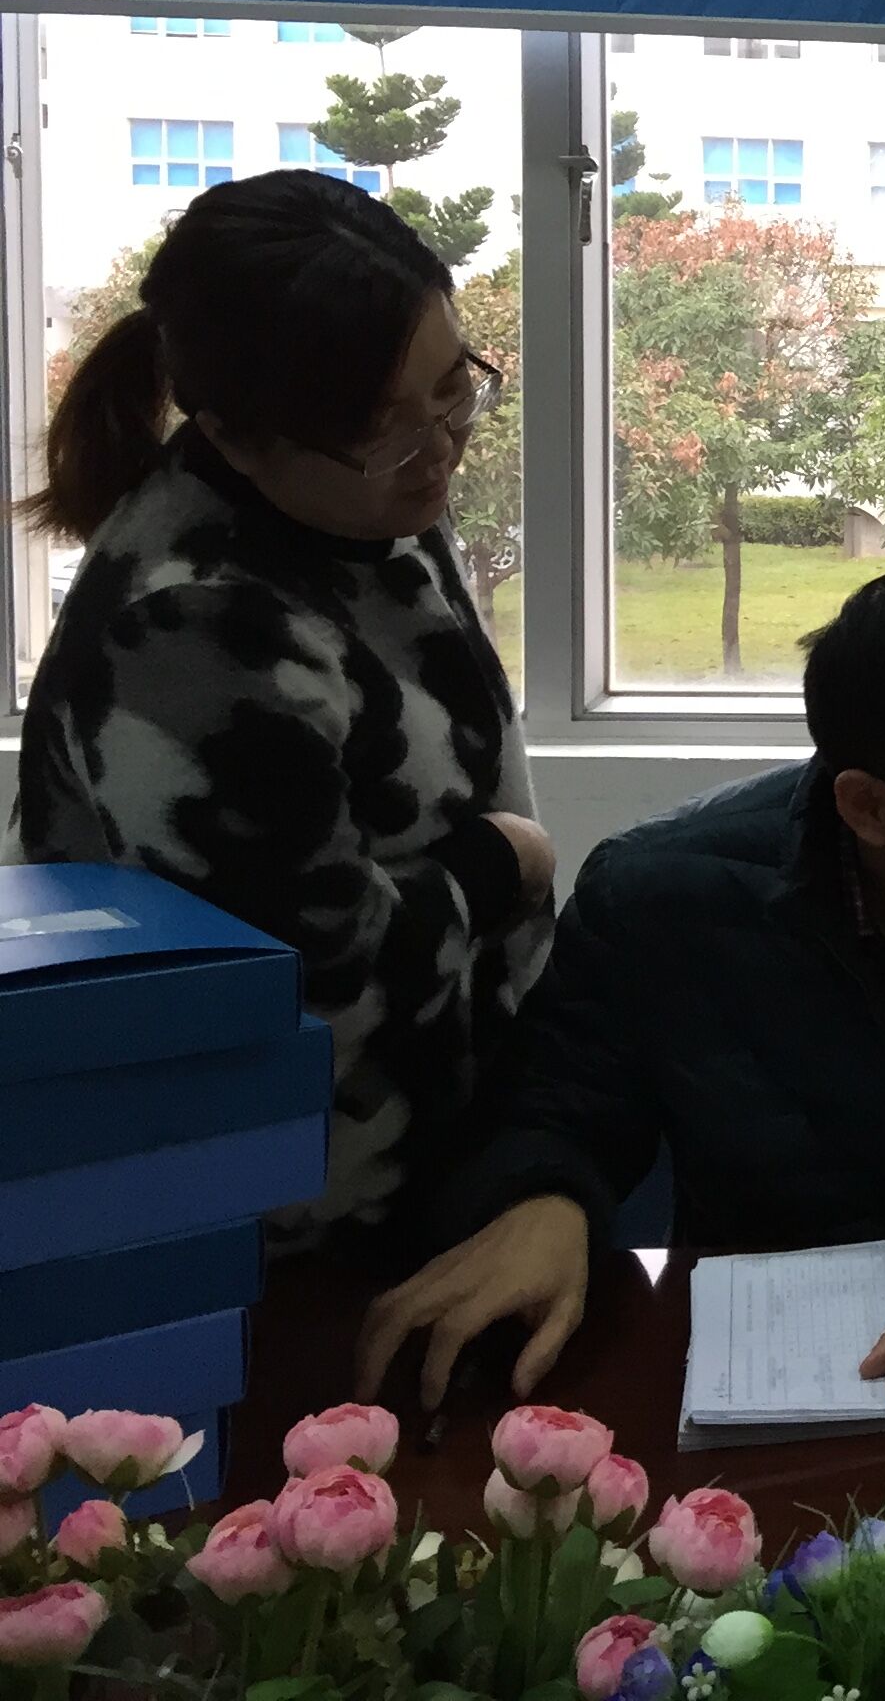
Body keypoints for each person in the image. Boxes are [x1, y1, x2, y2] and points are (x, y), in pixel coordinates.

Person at [359, 562, 885, 1426]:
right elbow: (558, 1102)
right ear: (869, 808)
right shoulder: (665, 899)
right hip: (774, 1383)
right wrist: (542, 1200)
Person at [14, 171, 552, 1255]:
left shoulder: (361, 502)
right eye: (385, 431)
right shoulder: (192, 628)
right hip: (296, 1214)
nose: (442, 448)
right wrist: (502, 865)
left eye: (454, 388)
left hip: (456, 1140)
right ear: (237, 433)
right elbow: (304, 987)